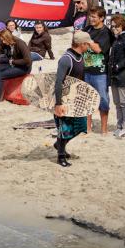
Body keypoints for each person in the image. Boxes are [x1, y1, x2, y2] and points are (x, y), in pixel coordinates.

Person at [53, 31, 92, 167]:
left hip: (76, 99)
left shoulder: (81, 57)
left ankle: (59, 145)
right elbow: (58, 82)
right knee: (65, 128)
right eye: (88, 43)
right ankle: (61, 157)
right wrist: (58, 104)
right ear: (82, 44)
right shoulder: (66, 59)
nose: (89, 46)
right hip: (64, 100)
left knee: (81, 126)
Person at [81, 6, 114, 135]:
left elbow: (99, 49)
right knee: (87, 99)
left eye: (94, 17)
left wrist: (87, 40)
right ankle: (88, 128)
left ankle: (104, 130)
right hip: (86, 71)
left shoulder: (106, 32)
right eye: (90, 16)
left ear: (102, 18)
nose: (91, 19)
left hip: (100, 73)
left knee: (103, 100)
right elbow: (79, 44)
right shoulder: (87, 29)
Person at [0, 29, 32, 109]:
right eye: (2, 40)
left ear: (8, 38)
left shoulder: (20, 43)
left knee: (0, 74)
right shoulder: (4, 42)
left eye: (4, 40)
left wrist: (12, 61)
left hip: (23, 67)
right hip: (12, 64)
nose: (3, 42)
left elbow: (27, 60)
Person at [108, 15, 125, 138]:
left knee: (124, 103)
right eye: (112, 26)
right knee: (117, 103)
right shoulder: (115, 39)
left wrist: (118, 66)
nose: (114, 28)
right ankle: (119, 126)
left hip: (124, 76)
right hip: (114, 76)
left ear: (122, 26)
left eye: (116, 26)